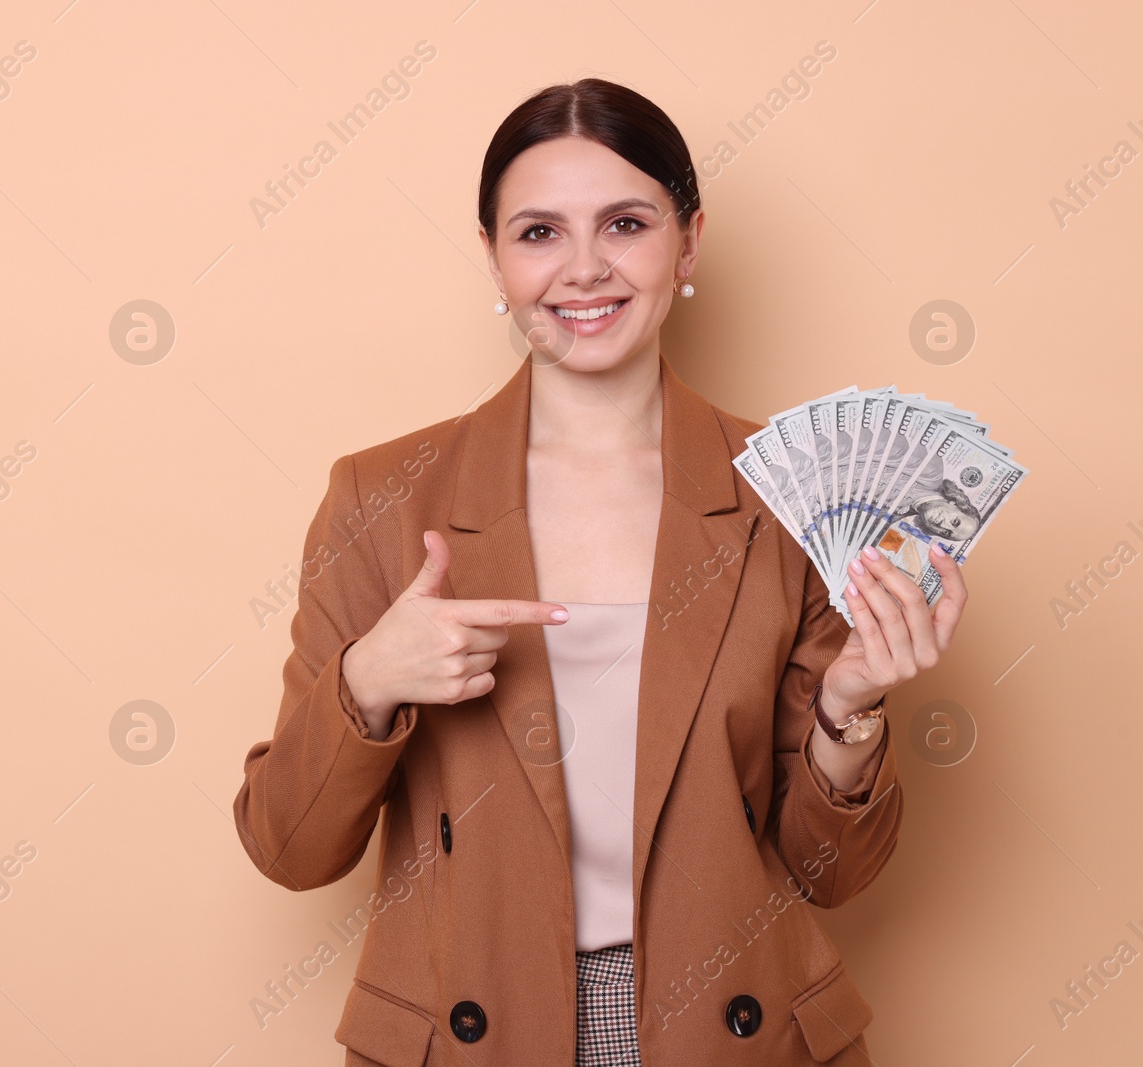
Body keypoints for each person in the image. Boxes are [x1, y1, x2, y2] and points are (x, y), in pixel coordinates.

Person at [232, 78, 968, 1066]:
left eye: (625, 223)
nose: (583, 269)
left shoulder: (792, 498)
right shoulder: (382, 497)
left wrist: (851, 705)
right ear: (491, 254)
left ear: (688, 242)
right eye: (538, 232)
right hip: (475, 1029)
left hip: (731, 1030)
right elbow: (289, 848)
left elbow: (829, 870)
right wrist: (367, 681)